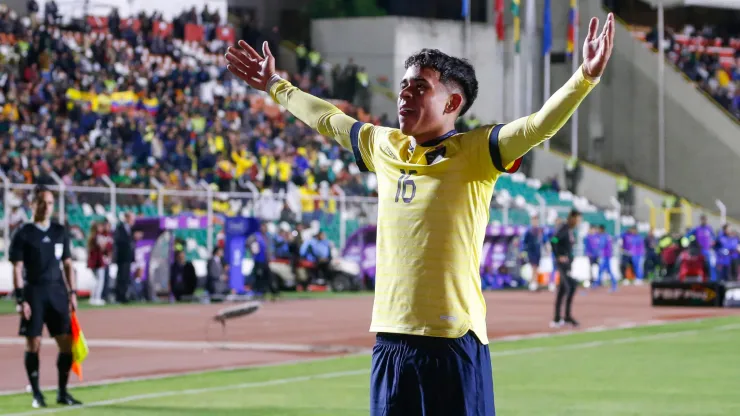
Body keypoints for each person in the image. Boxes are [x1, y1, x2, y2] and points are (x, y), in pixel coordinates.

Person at [226, 12, 614, 415]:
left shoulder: (477, 151)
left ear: (452, 102)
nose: (405, 94)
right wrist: (275, 83)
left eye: (420, 86)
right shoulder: (384, 145)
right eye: (404, 85)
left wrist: (584, 77)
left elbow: (536, 127)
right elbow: (327, 119)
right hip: (390, 339)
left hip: (451, 339)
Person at [10, 185, 82, 408]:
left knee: (67, 344)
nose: (46, 207)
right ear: (33, 204)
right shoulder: (23, 233)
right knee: (34, 343)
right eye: (42, 202)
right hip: (34, 292)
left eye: (50, 203)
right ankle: (37, 393)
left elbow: (68, 265)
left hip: (58, 292)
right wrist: (21, 300)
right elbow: (17, 268)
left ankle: (62, 392)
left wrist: (72, 293)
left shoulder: (60, 231)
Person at [551, 209, 582, 328]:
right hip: (562, 264)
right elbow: (554, 240)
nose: (579, 222)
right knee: (570, 286)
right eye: (578, 219)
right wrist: (559, 255)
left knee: (564, 290)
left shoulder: (570, 230)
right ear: (573, 218)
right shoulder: (563, 228)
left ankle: (560, 317)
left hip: (568, 264)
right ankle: (561, 317)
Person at [114, 212, 136, 303]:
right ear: (127, 218)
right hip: (122, 257)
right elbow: (119, 241)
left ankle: (124, 295)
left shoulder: (130, 229)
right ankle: (119, 296)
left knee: (126, 277)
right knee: (121, 277)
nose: (133, 221)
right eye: (131, 219)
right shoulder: (120, 228)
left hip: (128, 258)